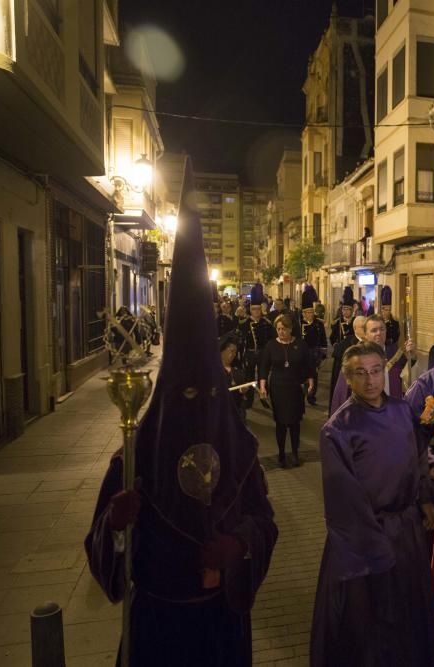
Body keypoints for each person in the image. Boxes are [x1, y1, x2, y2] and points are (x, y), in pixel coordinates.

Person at [85, 172, 277, 666]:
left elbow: (266, 525)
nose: (198, 402)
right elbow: (101, 552)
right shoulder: (136, 455)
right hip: (158, 628)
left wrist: (237, 546)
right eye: (186, 393)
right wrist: (116, 522)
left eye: (208, 393)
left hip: (222, 626)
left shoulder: (241, 453)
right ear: (168, 394)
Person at [310, 342, 434, 666]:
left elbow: (419, 457)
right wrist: (375, 548)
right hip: (365, 542)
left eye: (376, 371)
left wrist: (424, 498)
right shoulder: (337, 430)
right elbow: (343, 499)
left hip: (407, 532)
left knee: (409, 613)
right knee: (371, 625)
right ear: (347, 378)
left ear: (385, 371)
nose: (370, 381)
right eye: (360, 373)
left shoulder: (402, 410)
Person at [259, 314, 315, 468]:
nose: (281, 332)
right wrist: (262, 386)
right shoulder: (271, 345)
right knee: (281, 423)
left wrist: (311, 381)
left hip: (295, 387)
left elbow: (308, 365)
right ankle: (282, 454)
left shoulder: (300, 344)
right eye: (278, 329)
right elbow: (264, 367)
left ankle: (295, 453)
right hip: (278, 388)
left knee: (295, 423)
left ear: (290, 329)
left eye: (284, 329)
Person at [330, 315, 415, 414]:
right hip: (364, 415)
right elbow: (342, 393)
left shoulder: (395, 353)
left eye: (382, 329)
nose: (379, 333)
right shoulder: (354, 358)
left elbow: (407, 377)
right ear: (365, 335)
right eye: (374, 330)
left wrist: (412, 356)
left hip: (391, 413)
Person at [238, 298, 274, 409]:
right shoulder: (244, 323)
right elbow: (240, 338)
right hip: (250, 353)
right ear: (250, 310)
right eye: (254, 309)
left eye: (258, 309)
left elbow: (271, 339)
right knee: (249, 377)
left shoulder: (266, 323)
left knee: (263, 376)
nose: (256, 311)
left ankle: (263, 397)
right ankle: (249, 400)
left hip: (263, 353)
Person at [299, 285, 328, 406]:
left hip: (314, 353)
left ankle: (311, 396)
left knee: (314, 376)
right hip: (301, 353)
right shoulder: (298, 323)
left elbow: (323, 339)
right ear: (304, 313)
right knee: (302, 376)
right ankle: (301, 395)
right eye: (307, 312)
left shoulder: (318, 324)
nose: (310, 314)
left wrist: (322, 354)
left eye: (311, 312)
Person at [220, 334, 250, 421]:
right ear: (222, 351)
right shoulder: (214, 371)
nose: (234, 354)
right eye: (231, 351)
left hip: (236, 412)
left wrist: (242, 391)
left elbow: (241, 398)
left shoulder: (237, 371)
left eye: (235, 352)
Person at [379, 285, 401, 358]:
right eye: (386, 309)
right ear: (382, 310)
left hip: (392, 350)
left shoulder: (395, 323)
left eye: (389, 309)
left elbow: (396, 337)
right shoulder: (377, 322)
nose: (388, 312)